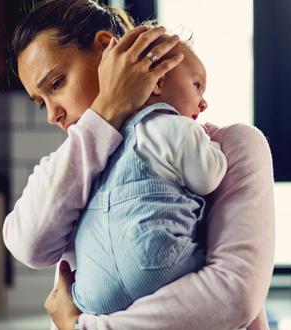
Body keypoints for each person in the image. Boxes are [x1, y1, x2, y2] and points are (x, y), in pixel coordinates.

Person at [2, 0, 275, 329]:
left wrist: (82, 327)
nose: (51, 114)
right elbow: (30, 246)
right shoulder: (66, 165)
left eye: (57, 84)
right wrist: (105, 114)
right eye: (40, 102)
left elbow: (233, 297)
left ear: (106, 48)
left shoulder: (228, 146)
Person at [71, 37, 227, 314]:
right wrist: (211, 144)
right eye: (197, 85)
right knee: (223, 276)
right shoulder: (177, 128)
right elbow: (208, 178)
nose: (203, 103)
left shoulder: (110, 139)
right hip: (158, 267)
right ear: (157, 83)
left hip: (94, 289)